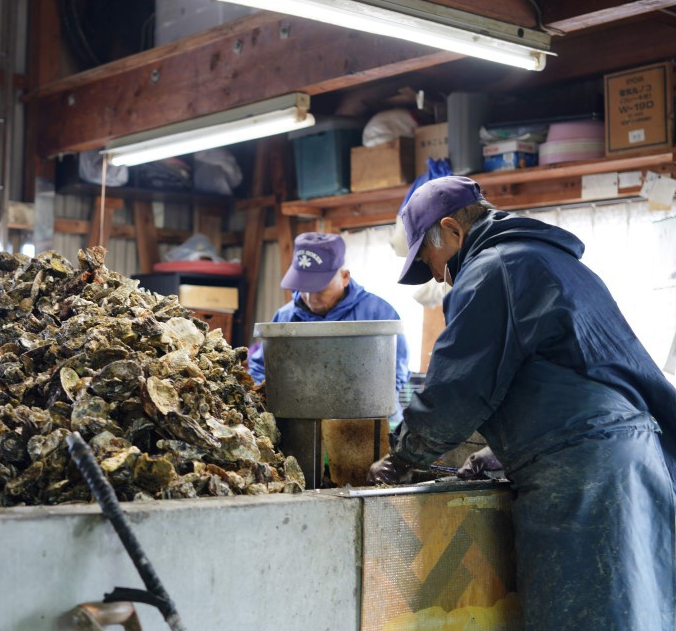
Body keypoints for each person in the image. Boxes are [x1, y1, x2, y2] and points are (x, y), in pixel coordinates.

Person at [367, 176, 676, 629]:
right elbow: (570, 372)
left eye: (432, 261)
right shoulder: (545, 260)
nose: (437, 275)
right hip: (632, 459)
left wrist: (403, 456)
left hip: (584, 476)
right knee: (639, 612)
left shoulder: (493, 270)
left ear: (453, 230)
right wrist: (506, 450)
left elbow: (457, 389)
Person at [248, 231, 410, 422]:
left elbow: (395, 373)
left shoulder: (379, 313)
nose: (310, 298)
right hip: (301, 419)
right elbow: (261, 368)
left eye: (319, 288)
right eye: (304, 287)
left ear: (345, 277)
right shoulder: (285, 317)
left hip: (368, 420)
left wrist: (366, 408)